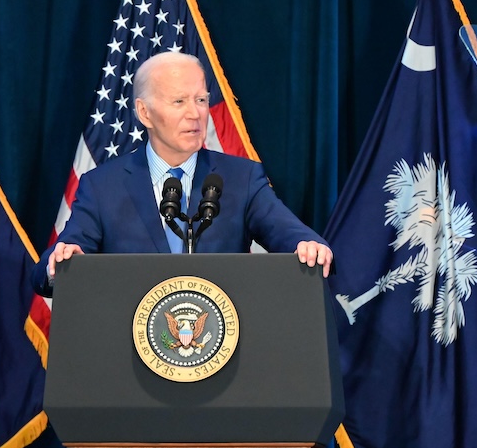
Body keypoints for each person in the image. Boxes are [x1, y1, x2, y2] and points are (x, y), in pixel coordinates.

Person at [31, 51, 332, 297]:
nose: (195, 113)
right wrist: (61, 262)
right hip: (132, 357)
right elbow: (52, 264)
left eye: (200, 99)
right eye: (179, 101)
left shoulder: (241, 179)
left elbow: (291, 234)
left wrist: (308, 246)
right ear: (144, 112)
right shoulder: (103, 187)